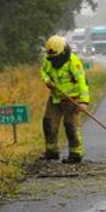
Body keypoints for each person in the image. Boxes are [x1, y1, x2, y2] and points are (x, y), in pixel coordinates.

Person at [40, 35, 89, 164]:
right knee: (48, 123)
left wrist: (84, 101)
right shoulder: (48, 60)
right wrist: (47, 80)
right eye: (52, 58)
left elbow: (82, 82)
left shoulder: (73, 62)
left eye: (56, 57)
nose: (54, 60)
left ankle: (76, 153)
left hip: (71, 99)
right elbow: (43, 71)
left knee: (70, 125)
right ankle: (51, 152)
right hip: (56, 97)